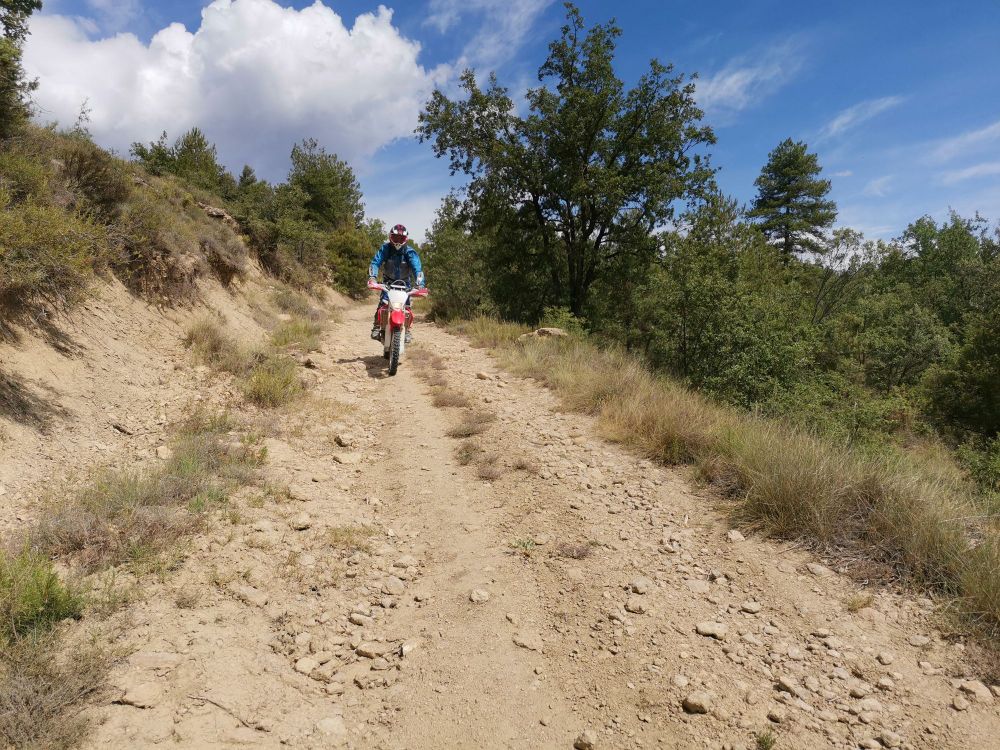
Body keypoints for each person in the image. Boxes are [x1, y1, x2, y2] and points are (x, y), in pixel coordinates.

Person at [368, 223, 425, 343]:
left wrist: (420, 284)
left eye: (401, 238)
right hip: (388, 282)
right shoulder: (385, 249)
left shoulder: (410, 252)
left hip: (405, 284)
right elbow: (375, 263)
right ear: (390, 237)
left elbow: (417, 269)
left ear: (405, 239)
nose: (398, 241)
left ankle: (407, 330)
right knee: (383, 304)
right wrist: (372, 278)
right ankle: (376, 326)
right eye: (396, 237)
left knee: (407, 307)